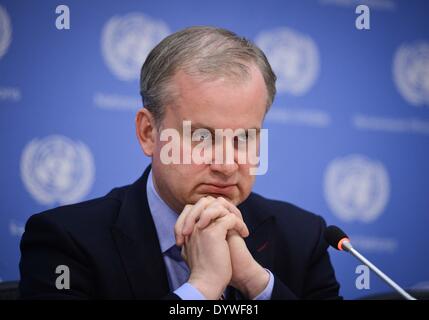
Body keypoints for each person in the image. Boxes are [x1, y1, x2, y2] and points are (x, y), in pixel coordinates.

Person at [19, 26, 341, 300]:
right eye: (202, 138)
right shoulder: (66, 243)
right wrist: (200, 289)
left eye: (244, 138)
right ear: (148, 133)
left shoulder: (303, 238)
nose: (227, 165)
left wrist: (258, 284)